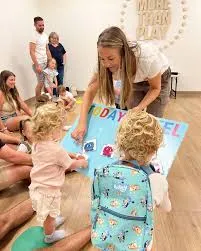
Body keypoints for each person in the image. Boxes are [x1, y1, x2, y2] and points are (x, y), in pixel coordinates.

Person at [72, 26, 171, 142]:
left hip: (159, 79)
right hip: (133, 80)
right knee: (132, 117)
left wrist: (139, 107)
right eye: (102, 59)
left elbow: (155, 88)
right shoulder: (104, 62)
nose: (106, 64)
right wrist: (82, 123)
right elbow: (90, 90)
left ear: (124, 54)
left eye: (111, 59)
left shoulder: (147, 58)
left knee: (153, 120)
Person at [29, 103, 88, 244]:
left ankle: (53, 219)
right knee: (49, 217)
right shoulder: (55, 149)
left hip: (38, 187)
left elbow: (57, 156)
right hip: (48, 191)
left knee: (50, 213)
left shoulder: (37, 143)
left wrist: (70, 154)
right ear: (51, 129)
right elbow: (69, 164)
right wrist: (81, 162)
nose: (61, 131)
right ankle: (50, 236)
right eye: (59, 128)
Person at [30, 16, 52, 97]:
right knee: (41, 82)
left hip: (45, 62)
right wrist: (37, 65)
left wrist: (50, 61)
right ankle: (38, 101)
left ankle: (46, 99)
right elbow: (31, 51)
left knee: (47, 81)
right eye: (40, 25)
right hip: (38, 63)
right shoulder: (33, 36)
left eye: (43, 25)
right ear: (35, 25)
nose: (42, 27)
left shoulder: (45, 35)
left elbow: (47, 50)